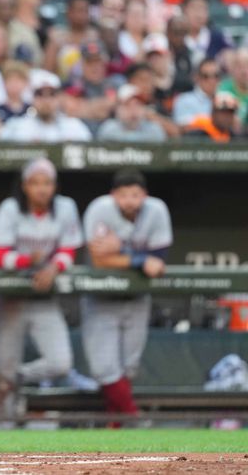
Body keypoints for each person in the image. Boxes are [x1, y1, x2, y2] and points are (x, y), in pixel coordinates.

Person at [0, 158, 80, 418]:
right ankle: (2, 428)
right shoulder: (10, 208)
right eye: (35, 183)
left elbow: (68, 250)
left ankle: (18, 377)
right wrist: (27, 261)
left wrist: (52, 268)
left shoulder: (65, 207)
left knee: (60, 363)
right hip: (13, 296)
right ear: (25, 186)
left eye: (47, 183)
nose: (42, 189)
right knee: (4, 369)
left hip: (44, 295)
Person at [82, 169, 173, 421]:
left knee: (128, 367)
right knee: (104, 368)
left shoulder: (156, 210)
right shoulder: (100, 209)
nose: (129, 201)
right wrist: (139, 258)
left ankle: (116, 423)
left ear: (144, 195)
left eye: (135, 195)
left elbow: (159, 261)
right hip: (101, 297)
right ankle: (134, 419)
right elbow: (100, 260)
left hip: (137, 297)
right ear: (113, 195)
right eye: (123, 195)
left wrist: (120, 249)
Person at [0, 70, 92, 142]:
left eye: (51, 94)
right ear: (32, 97)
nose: (46, 100)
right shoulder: (17, 126)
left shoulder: (74, 126)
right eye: (40, 94)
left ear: (59, 98)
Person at [97, 84, 167, 142]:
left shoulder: (153, 128)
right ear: (117, 109)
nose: (134, 110)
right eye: (128, 105)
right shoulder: (109, 127)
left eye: (138, 105)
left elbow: (158, 137)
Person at [173, 58, 219, 126]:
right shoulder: (184, 100)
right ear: (197, 77)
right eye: (205, 76)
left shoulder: (226, 99)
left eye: (216, 75)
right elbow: (180, 126)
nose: (212, 80)